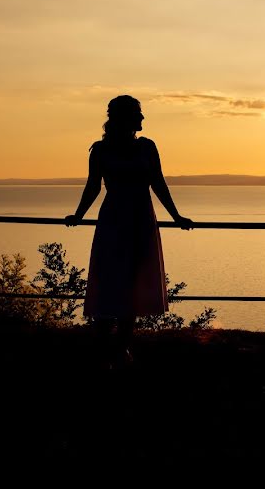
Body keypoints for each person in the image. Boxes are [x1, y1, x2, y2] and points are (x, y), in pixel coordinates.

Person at [65, 95, 193, 367]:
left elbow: (159, 183)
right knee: (110, 280)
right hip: (113, 222)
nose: (143, 118)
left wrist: (176, 216)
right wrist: (78, 215)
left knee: (133, 282)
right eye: (138, 113)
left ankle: (121, 349)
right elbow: (93, 187)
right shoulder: (100, 150)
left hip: (141, 221)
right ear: (125, 117)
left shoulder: (148, 147)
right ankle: (102, 351)